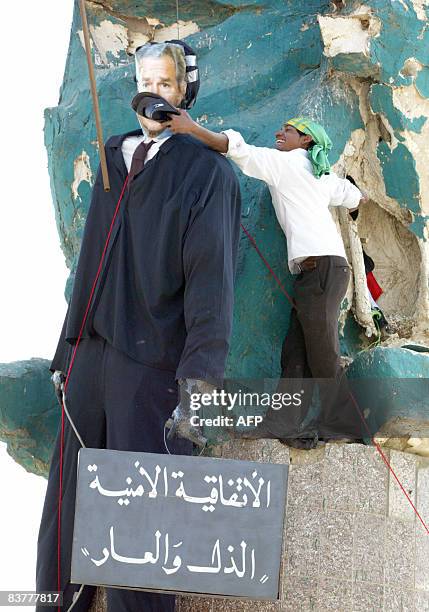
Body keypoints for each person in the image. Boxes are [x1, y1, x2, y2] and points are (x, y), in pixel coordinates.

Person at [36, 40, 241, 612]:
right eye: (145, 79)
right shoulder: (112, 156)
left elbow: (211, 282)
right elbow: (89, 258)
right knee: (64, 513)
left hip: (150, 364)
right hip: (89, 355)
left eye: (167, 83)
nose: (153, 92)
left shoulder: (207, 172)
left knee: (137, 526)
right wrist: (66, 346)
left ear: (186, 93)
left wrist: (199, 381)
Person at [166, 112, 367, 448]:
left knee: (322, 353)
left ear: (305, 140)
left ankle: (346, 424)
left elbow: (237, 149)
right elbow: (351, 195)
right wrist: (357, 205)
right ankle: (282, 423)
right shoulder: (321, 174)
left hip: (322, 271)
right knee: (296, 353)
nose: (279, 132)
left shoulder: (287, 164)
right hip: (321, 273)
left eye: (287, 130)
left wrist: (191, 128)